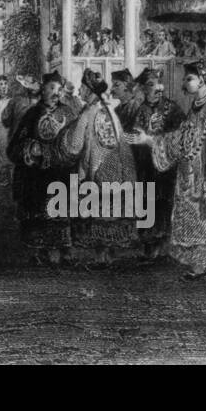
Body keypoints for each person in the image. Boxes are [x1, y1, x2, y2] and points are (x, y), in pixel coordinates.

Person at [130, 61, 206, 280]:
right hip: (193, 174)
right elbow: (182, 139)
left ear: (202, 79)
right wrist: (149, 140)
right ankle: (200, 266)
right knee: (200, 221)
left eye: (189, 79)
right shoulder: (197, 105)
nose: (185, 83)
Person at [7, 72, 79, 267]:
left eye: (59, 89)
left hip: (61, 172)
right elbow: (14, 147)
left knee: (61, 212)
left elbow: (77, 142)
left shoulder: (70, 113)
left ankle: (64, 251)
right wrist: (31, 148)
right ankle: (40, 252)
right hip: (37, 174)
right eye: (52, 88)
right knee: (37, 212)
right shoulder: (31, 114)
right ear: (43, 89)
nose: (56, 93)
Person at [68, 69, 137, 269]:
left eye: (82, 87)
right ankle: (109, 257)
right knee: (110, 213)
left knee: (96, 214)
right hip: (115, 171)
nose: (79, 91)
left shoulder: (88, 114)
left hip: (96, 172)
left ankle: (101, 258)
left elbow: (74, 146)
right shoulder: (110, 112)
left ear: (90, 91)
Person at [127, 67, 183, 262]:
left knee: (165, 202)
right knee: (147, 202)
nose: (158, 87)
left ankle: (164, 246)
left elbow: (179, 136)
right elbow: (133, 136)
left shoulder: (172, 108)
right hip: (146, 167)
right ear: (143, 88)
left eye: (160, 83)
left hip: (166, 167)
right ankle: (149, 246)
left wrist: (149, 140)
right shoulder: (140, 109)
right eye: (152, 84)